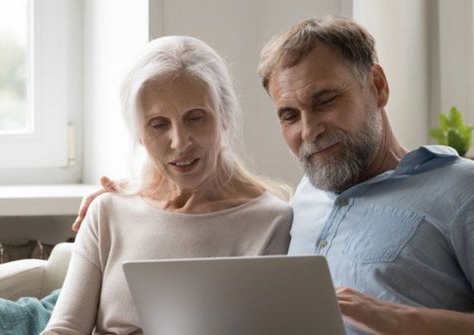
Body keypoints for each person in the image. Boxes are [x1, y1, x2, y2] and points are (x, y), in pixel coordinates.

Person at [74, 16, 474, 335]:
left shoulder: (470, 190)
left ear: (377, 86)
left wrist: (397, 318)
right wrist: (124, 195)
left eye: (325, 100)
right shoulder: (307, 198)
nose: (309, 130)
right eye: (289, 115)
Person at [42, 36, 294, 334]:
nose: (179, 142)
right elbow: (65, 329)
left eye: (195, 118)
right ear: (138, 133)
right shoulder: (107, 212)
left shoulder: (272, 222)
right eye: (159, 124)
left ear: (224, 116)